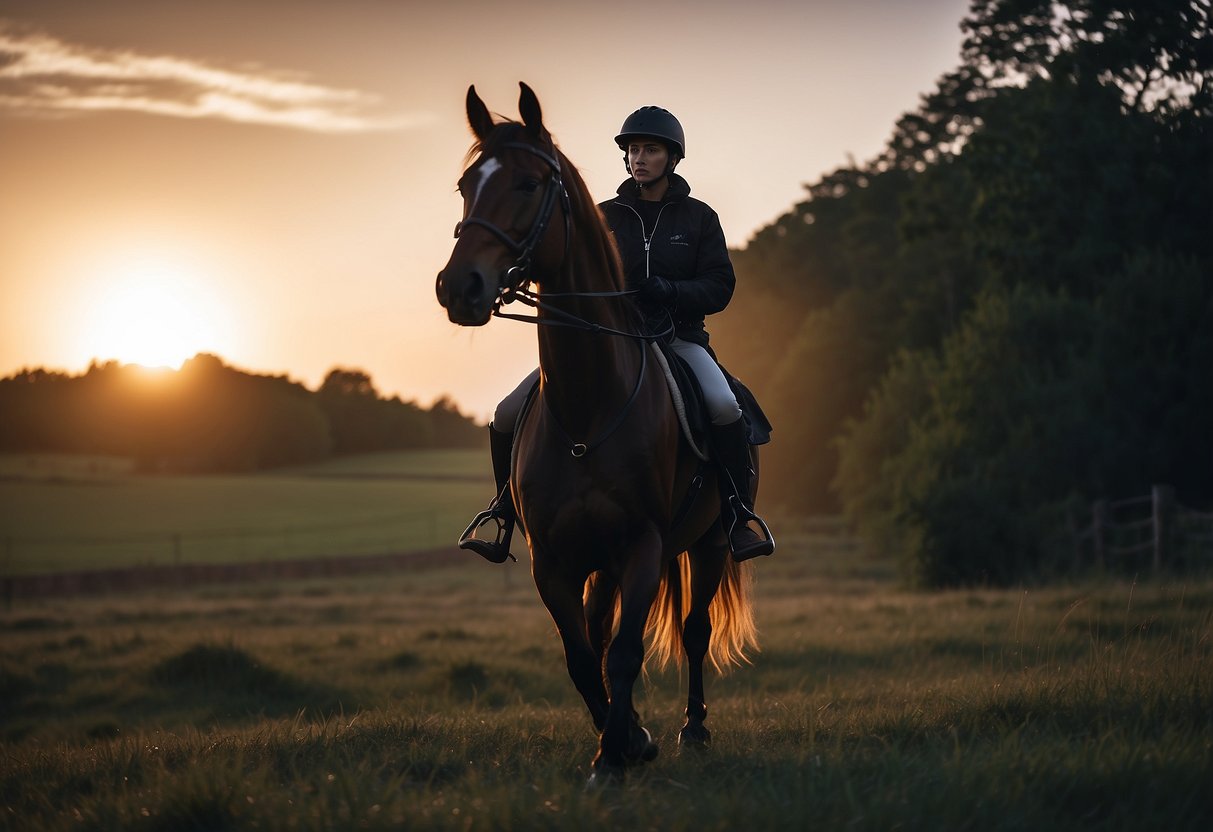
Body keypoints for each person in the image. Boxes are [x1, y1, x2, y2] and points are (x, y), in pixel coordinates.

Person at [459, 106, 774, 564]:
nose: (639, 158)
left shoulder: (699, 218)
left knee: (726, 406)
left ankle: (736, 514)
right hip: (607, 343)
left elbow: (719, 286)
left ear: (672, 158)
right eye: (632, 150)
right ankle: (505, 510)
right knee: (507, 412)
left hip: (678, 340)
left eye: (650, 149)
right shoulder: (603, 217)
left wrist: (669, 290)